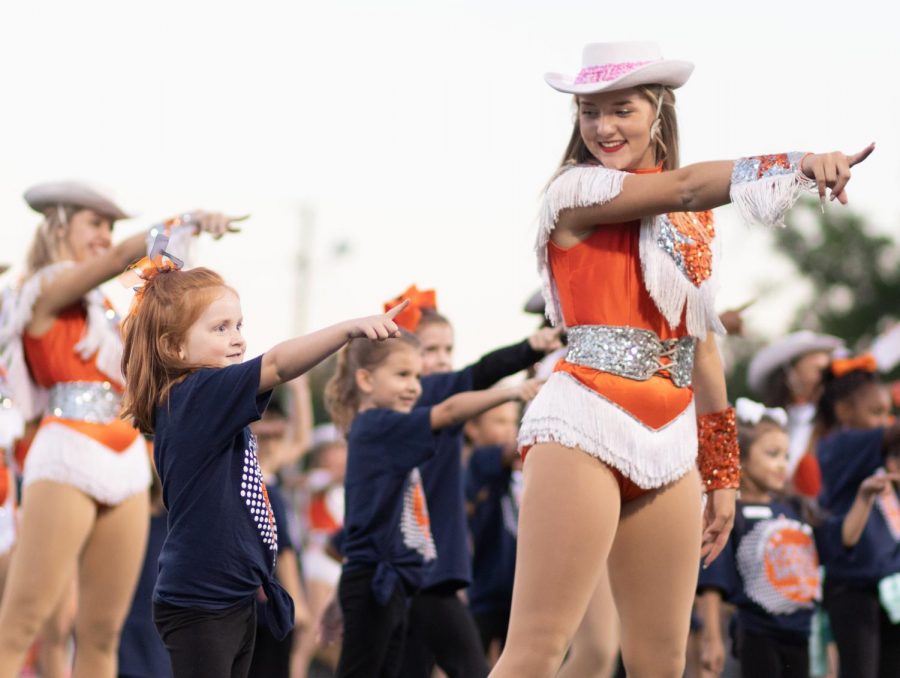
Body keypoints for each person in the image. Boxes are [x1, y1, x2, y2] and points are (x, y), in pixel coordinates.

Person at [491, 41, 873, 678]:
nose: (604, 127)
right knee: (536, 648)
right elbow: (692, 185)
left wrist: (723, 474)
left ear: (657, 110)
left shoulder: (690, 224)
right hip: (585, 418)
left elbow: (703, 342)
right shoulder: (575, 191)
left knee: (664, 660)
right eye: (590, 112)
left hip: (671, 439)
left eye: (622, 110)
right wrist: (801, 164)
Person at [119, 250, 409, 678]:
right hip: (203, 604)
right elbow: (276, 363)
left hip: (230, 598)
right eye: (220, 328)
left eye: (238, 325)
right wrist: (347, 330)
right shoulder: (198, 393)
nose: (237, 338)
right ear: (174, 346)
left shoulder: (204, 400)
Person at [0, 181, 237, 678]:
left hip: (126, 454)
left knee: (103, 631)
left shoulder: (104, 309)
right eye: (95, 224)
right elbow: (111, 265)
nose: (106, 236)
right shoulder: (41, 289)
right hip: (66, 450)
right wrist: (181, 221)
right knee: (23, 623)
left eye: (111, 226)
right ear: (59, 223)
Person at [324, 331, 541, 678]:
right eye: (402, 375)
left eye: (416, 377)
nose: (415, 387)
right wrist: (512, 391)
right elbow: (450, 410)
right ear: (365, 379)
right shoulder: (377, 425)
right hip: (376, 580)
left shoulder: (388, 429)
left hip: (397, 582)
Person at [697, 398, 821, 677]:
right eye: (772, 454)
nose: (782, 465)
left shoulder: (796, 509)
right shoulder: (730, 516)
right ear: (740, 458)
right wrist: (712, 638)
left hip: (801, 632)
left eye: (786, 456)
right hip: (757, 633)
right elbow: (713, 582)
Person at [814, 355, 900, 678]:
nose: (885, 421)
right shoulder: (840, 445)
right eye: (875, 412)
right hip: (852, 585)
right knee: (860, 670)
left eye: (888, 412)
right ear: (844, 412)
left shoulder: (874, 450)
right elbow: (893, 434)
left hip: (888, 581)